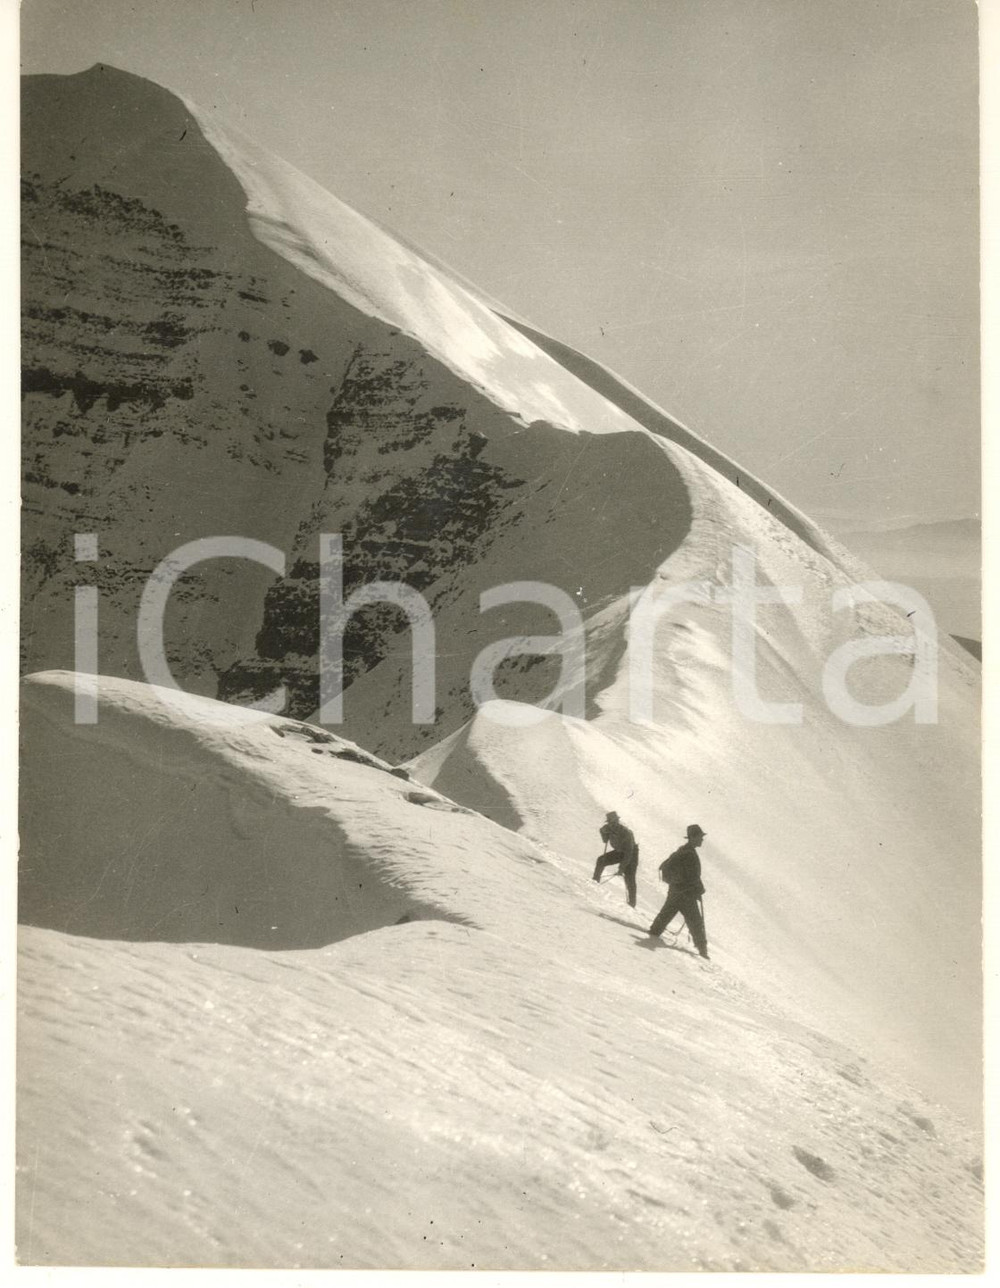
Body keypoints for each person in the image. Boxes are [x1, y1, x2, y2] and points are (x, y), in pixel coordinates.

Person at [648, 824, 709, 958]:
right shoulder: (689, 854)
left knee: (664, 916)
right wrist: (699, 889)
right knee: (696, 924)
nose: (702, 840)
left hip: (675, 892)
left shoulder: (683, 851)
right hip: (685, 895)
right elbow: (692, 877)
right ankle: (703, 953)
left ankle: (652, 936)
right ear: (693, 837)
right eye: (700, 837)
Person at [593, 810, 639, 907]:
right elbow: (604, 840)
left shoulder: (626, 833)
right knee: (601, 860)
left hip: (631, 853)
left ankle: (632, 903)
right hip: (619, 851)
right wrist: (602, 832)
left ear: (618, 821)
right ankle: (595, 882)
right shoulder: (607, 829)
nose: (613, 824)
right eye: (611, 822)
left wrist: (621, 868)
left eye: (614, 822)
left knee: (629, 876)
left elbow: (628, 853)